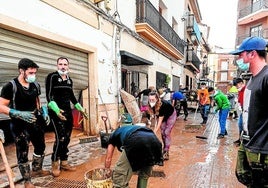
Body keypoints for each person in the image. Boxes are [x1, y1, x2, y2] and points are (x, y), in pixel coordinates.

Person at [0, 58, 50, 188]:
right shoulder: (11, 86)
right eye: (31, 73)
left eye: (35, 73)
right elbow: (1, 106)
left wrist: (43, 111)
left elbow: (37, 101)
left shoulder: (35, 85)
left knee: (40, 146)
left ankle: (37, 169)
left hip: (35, 121)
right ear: (21, 71)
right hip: (19, 124)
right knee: (22, 151)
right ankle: (27, 180)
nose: (33, 75)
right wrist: (18, 113)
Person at [230, 36, 268, 187]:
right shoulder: (252, 79)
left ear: (252, 54)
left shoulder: (266, 77)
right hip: (249, 144)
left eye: (241, 54)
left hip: (263, 150)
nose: (239, 58)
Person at [45, 57, 88, 177]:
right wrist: (56, 110)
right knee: (60, 138)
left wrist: (81, 109)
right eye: (60, 64)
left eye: (65, 64)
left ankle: (64, 162)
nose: (63, 66)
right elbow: (49, 96)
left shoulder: (69, 80)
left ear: (68, 66)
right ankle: (55, 163)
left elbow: (72, 97)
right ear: (57, 65)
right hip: (56, 112)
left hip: (68, 112)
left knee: (68, 137)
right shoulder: (52, 77)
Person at [147, 91, 177, 160]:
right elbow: (154, 117)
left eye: (153, 100)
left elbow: (159, 120)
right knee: (162, 133)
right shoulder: (150, 105)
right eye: (150, 100)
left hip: (171, 115)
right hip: (162, 116)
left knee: (166, 132)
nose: (151, 101)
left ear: (157, 99)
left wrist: (154, 131)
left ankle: (166, 151)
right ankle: (164, 147)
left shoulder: (162, 105)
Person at [233, 78, 245, 146]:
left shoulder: (246, 89)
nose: (236, 87)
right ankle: (240, 139)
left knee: (243, 126)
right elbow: (240, 100)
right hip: (241, 111)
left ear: (241, 83)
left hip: (246, 111)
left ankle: (242, 141)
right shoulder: (240, 91)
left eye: (236, 85)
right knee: (240, 125)